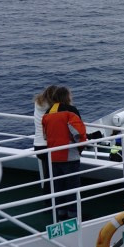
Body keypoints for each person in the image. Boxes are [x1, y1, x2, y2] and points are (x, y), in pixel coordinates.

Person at [41, 86, 87, 221]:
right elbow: (78, 134)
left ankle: (61, 215)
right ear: (67, 97)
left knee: (59, 187)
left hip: (53, 156)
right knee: (72, 188)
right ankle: (73, 217)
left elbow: (45, 136)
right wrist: (80, 148)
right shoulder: (70, 111)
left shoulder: (47, 114)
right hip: (70, 156)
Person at [33, 85, 59, 198]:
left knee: (49, 176)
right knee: (53, 178)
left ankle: (48, 200)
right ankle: (51, 202)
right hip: (48, 146)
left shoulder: (38, 103)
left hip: (38, 145)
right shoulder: (53, 108)